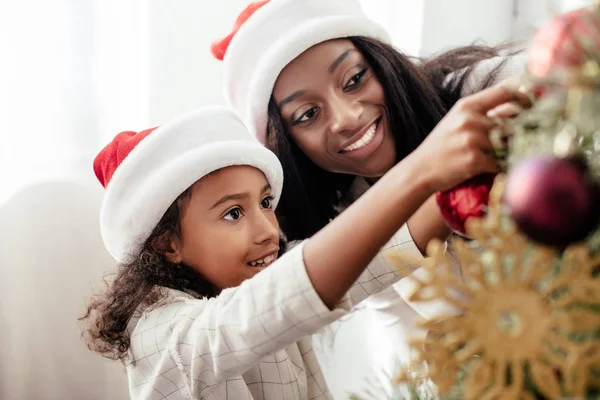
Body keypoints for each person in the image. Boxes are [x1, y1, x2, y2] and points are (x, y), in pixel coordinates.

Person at [81, 100, 514, 399]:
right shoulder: (159, 333)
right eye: (233, 213)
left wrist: (467, 179)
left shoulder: (255, 276)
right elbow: (265, 309)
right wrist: (421, 171)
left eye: (266, 203)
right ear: (167, 242)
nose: (268, 229)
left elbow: (375, 255)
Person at [212, 0, 528, 251]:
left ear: (382, 62)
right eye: (308, 114)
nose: (347, 118)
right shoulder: (344, 230)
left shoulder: (481, 94)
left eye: (354, 79)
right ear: (290, 145)